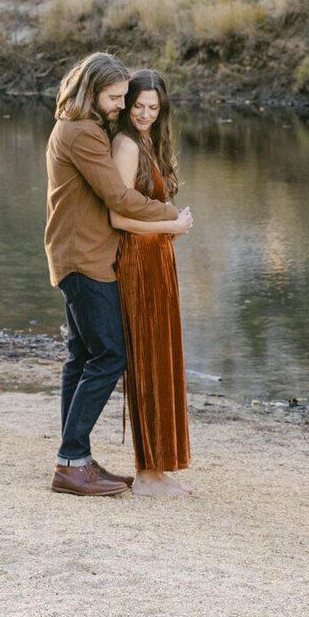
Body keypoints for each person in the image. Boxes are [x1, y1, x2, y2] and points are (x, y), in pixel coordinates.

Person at [44, 51, 187, 496]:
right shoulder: (84, 133)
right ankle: (71, 462)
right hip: (85, 258)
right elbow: (119, 199)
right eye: (116, 97)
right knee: (111, 355)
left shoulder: (80, 127)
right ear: (91, 91)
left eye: (127, 98)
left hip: (79, 255)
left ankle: (77, 457)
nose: (122, 107)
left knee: (82, 357)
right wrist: (170, 217)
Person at [110, 69, 193, 496]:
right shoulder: (125, 146)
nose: (144, 114)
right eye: (138, 106)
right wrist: (170, 225)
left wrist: (171, 227)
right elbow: (118, 218)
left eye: (153, 108)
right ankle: (146, 473)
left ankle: (159, 467)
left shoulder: (147, 142)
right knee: (148, 360)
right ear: (126, 105)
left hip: (158, 258)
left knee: (164, 357)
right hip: (139, 262)